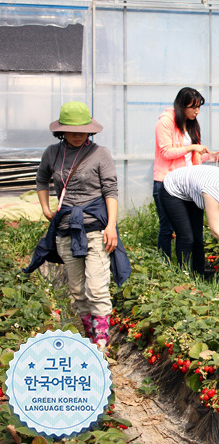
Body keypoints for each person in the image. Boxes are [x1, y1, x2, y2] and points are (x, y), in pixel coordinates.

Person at [23, 101, 131, 351]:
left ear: (90, 130)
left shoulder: (100, 153)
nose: (76, 134)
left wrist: (111, 226)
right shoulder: (52, 153)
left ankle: (101, 342)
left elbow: (111, 190)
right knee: (77, 290)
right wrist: (46, 209)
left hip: (96, 229)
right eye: (71, 130)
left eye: (81, 130)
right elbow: (41, 179)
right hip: (66, 229)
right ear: (61, 130)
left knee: (96, 288)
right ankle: (88, 338)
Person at [153, 87, 219, 260]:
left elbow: (191, 157)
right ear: (182, 106)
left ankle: (193, 270)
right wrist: (191, 147)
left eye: (199, 107)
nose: (197, 111)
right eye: (193, 107)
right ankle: (165, 267)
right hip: (166, 183)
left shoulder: (192, 124)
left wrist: (207, 157)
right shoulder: (165, 122)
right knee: (167, 228)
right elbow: (166, 152)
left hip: (188, 183)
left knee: (192, 232)